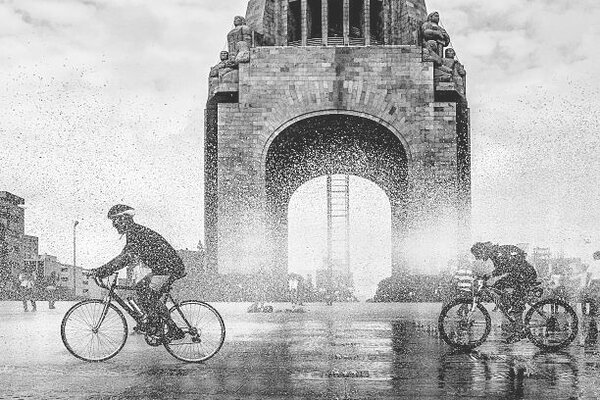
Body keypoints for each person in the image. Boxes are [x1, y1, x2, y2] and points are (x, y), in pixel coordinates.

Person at [91, 205, 186, 340]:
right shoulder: (134, 233)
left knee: (149, 296)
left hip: (169, 268)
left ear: (124, 218)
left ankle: (172, 329)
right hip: (162, 268)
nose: (113, 225)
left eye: (115, 221)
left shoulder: (136, 233)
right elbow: (124, 255)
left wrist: (102, 271)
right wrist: (102, 270)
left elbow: (125, 258)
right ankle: (154, 324)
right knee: (141, 288)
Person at [470, 241, 538, 343]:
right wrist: (490, 275)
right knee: (498, 286)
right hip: (518, 273)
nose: (477, 258)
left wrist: (490, 274)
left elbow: (505, 267)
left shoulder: (496, 253)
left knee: (516, 300)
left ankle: (519, 330)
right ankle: (509, 312)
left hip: (525, 274)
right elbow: (504, 268)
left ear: (482, 250)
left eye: (477, 255)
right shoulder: (495, 253)